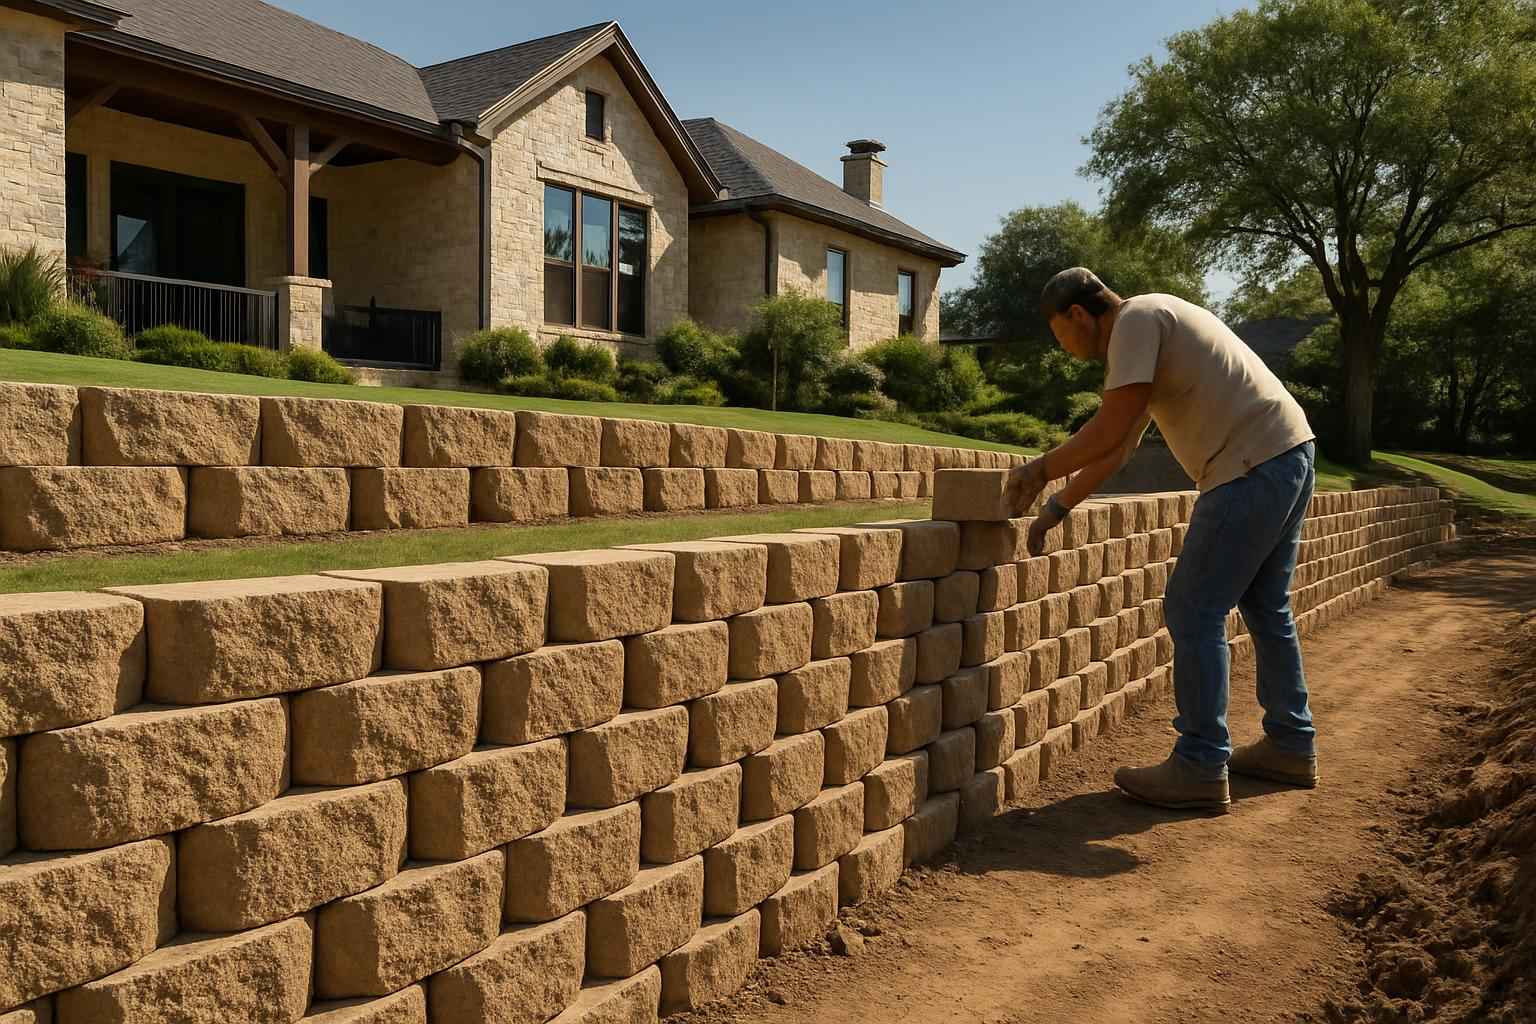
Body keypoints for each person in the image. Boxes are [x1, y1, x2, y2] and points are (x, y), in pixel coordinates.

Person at [1004, 267, 1320, 813]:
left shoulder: (1136, 322)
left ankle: (1200, 764)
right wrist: (1057, 506)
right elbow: (1120, 448)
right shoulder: (1154, 324)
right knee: (1267, 606)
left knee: (1193, 608)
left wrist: (1038, 471)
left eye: (1060, 335)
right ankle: (1290, 745)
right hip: (1287, 452)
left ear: (1080, 315)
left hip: (1247, 464)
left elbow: (1105, 429)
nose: (1064, 348)